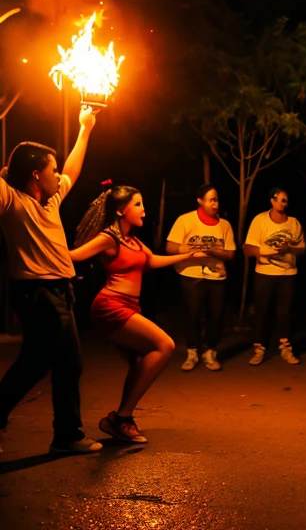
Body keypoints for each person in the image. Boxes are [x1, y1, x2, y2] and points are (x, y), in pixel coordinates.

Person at [69, 183, 207, 443]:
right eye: (138, 204)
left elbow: (152, 260)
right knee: (164, 345)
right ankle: (122, 418)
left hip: (129, 306)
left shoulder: (131, 240)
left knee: (141, 362)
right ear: (121, 210)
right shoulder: (108, 238)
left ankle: (119, 420)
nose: (144, 210)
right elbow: (73, 256)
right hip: (111, 306)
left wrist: (189, 255)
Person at [0, 106, 101, 454]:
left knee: (37, 363)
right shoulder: (11, 200)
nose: (59, 175)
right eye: (51, 170)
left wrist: (84, 129)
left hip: (60, 290)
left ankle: (61, 433)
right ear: (34, 174)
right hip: (37, 292)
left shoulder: (52, 199)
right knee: (66, 362)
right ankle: (68, 436)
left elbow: (73, 167)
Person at [166, 185, 236, 371]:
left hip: (217, 277)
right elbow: (170, 247)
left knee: (216, 316)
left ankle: (210, 351)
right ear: (200, 200)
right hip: (191, 275)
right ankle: (192, 352)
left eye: (217, 200)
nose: (216, 203)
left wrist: (214, 251)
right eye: (212, 199)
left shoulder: (225, 225)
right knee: (193, 315)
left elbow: (231, 254)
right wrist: (192, 251)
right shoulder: (185, 220)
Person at [244, 187, 305, 366]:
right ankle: (259, 349)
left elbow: (302, 248)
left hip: (288, 274)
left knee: (285, 313)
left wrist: (290, 249)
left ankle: (285, 348)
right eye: (280, 199)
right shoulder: (260, 220)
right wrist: (267, 251)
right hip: (265, 273)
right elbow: (248, 248)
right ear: (272, 201)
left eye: (286, 200)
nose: (283, 203)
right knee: (262, 312)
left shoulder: (294, 223)